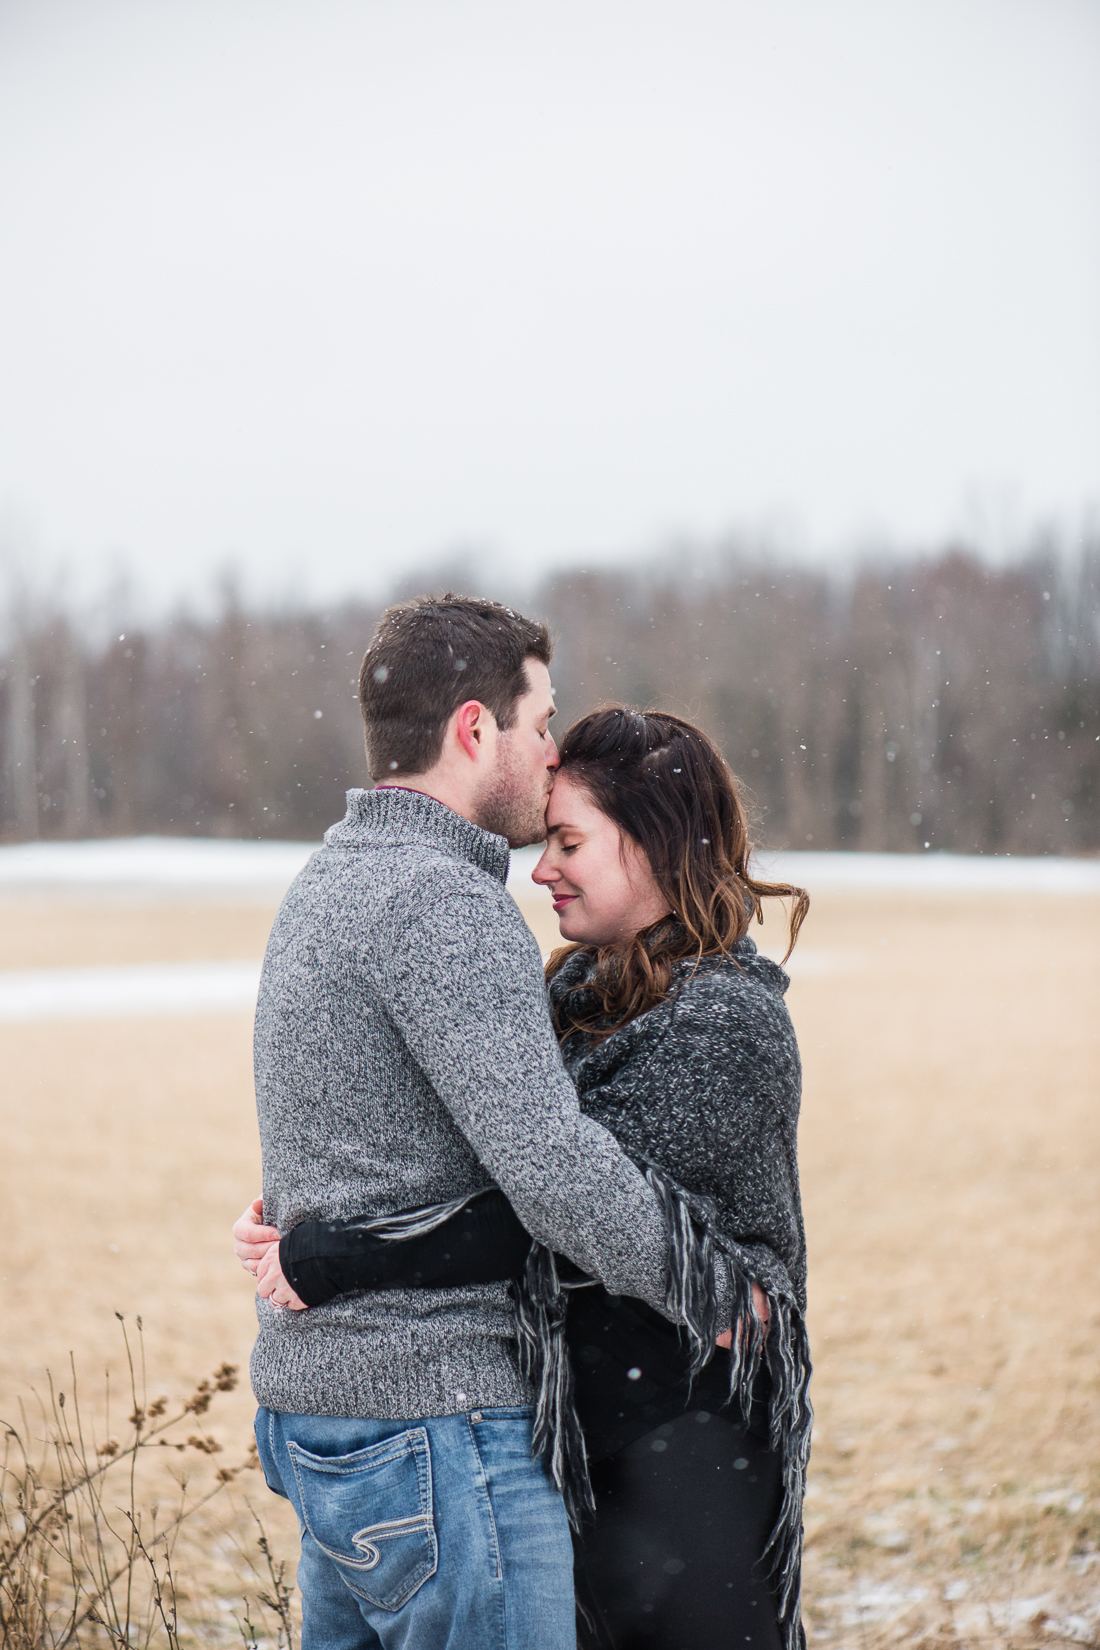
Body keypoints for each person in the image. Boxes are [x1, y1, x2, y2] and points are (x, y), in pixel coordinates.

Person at [240, 706, 813, 1650]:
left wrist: (334, 1255)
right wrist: (295, 1216)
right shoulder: (579, 995)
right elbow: (470, 1158)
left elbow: (549, 1211)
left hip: (684, 1447)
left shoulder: (723, 1027)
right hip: (576, 1436)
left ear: (661, 846)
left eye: (570, 841)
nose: (541, 867)